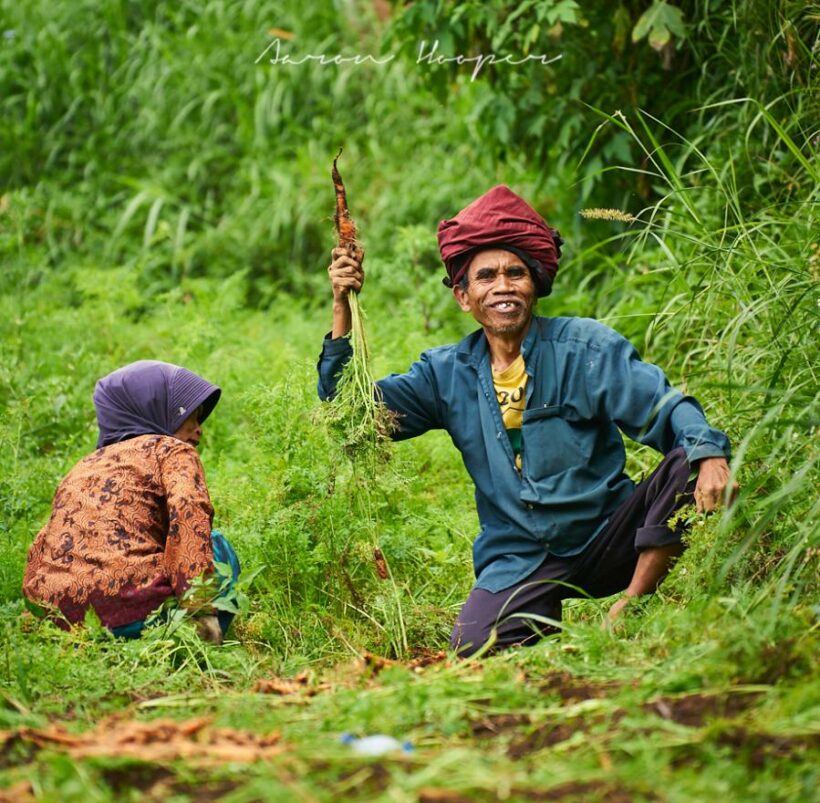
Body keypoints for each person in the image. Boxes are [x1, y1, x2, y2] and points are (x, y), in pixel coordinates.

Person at [318, 185, 737, 657]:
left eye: (516, 273)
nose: (503, 285)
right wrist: (342, 308)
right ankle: (544, 630)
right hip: (520, 554)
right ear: (463, 296)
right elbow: (351, 414)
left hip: (607, 535)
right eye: (486, 276)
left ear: (533, 284)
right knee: (474, 647)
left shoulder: (585, 348)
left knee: (688, 461)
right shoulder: (444, 374)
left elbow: (666, 406)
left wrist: (712, 455)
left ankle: (630, 608)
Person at [23, 360, 241, 643]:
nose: (199, 429)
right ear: (156, 407)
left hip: (62, 623)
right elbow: (189, 513)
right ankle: (197, 642)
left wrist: (36, 616)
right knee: (218, 544)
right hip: (137, 615)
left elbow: (44, 543)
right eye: (192, 416)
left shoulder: (83, 467)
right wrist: (200, 608)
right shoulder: (170, 451)